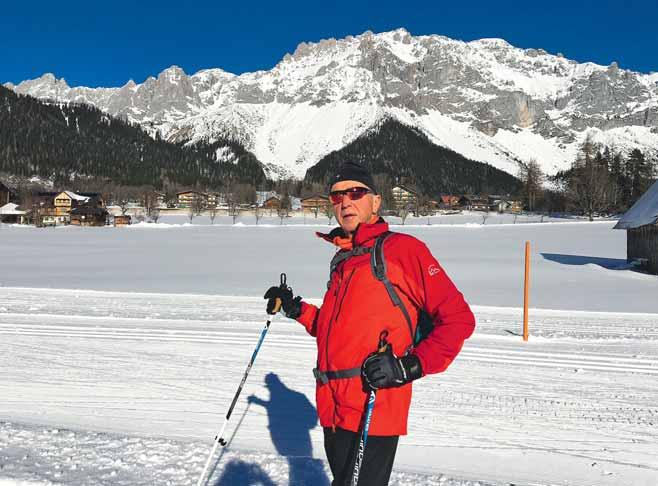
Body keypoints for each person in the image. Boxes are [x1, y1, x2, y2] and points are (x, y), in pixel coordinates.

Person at [264, 161, 475, 486]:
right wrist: (296, 309)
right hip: (333, 409)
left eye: (355, 192)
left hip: (372, 408)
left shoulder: (403, 251)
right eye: (336, 196)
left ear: (376, 201)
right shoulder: (345, 260)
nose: (345, 202)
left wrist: (409, 366)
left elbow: (459, 319)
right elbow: (336, 331)